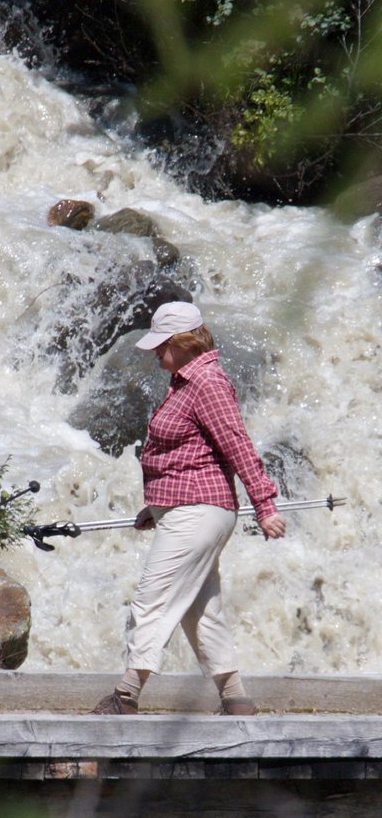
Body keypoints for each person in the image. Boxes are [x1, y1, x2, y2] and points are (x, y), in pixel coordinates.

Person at [93, 301, 286, 717]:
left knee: (151, 599)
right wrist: (156, 507)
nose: (157, 358)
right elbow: (188, 455)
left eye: (161, 348)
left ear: (182, 343)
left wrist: (265, 504)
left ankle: (126, 695)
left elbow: (237, 443)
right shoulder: (187, 381)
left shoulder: (206, 382)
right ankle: (236, 698)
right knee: (201, 610)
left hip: (200, 510)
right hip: (188, 508)